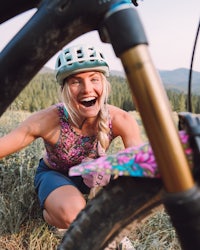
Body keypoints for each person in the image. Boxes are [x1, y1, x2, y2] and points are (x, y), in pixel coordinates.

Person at [0, 44, 143, 230]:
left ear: (104, 84)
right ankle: (53, 214)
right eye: (76, 82)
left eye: (94, 79)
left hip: (93, 178)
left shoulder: (121, 119)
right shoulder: (48, 120)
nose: (87, 89)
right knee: (73, 215)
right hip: (55, 175)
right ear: (65, 89)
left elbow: (140, 165)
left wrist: (113, 173)